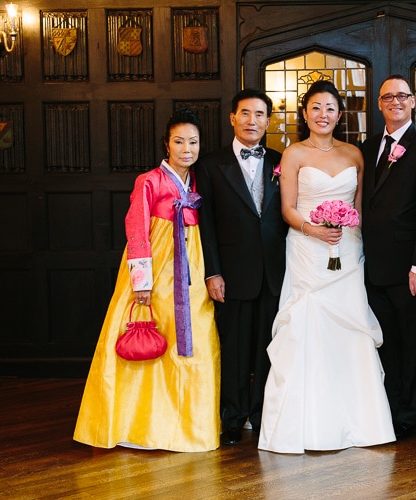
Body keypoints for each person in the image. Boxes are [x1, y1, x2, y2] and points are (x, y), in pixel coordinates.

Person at [258, 80, 395, 454]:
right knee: (306, 325)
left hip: (348, 250)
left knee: (350, 326)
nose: (323, 115)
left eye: (330, 108)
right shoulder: (294, 154)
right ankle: (303, 423)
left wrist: (359, 240)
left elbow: (362, 209)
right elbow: (287, 208)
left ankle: (361, 421)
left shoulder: (354, 155)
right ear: (305, 114)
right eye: (316, 108)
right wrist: (313, 229)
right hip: (306, 249)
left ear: (339, 114)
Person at [74, 109, 220, 452]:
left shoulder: (199, 181)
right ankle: (139, 425)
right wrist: (142, 280)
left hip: (192, 272)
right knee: (152, 341)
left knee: (194, 342)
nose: (187, 148)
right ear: (166, 145)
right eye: (179, 141)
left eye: (193, 142)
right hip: (157, 270)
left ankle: (187, 427)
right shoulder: (149, 181)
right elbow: (137, 229)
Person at [195, 89, 286, 445]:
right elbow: (207, 224)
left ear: (267, 121)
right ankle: (232, 418)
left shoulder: (282, 159)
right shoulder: (210, 164)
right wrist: (212, 272)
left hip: (275, 271)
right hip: (232, 273)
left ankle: (262, 415)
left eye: (260, 115)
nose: (253, 121)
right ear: (233, 118)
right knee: (233, 348)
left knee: (269, 347)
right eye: (245, 114)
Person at [361, 75, 416, 440]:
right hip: (372, 265)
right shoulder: (368, 148)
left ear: (412, 102)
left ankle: (410, 415)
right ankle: (390, 409)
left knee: (413, 343)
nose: (395, 102)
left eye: (402, 96)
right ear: (379, 105)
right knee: (386, 343)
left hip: (410, 267)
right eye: (387, 97)